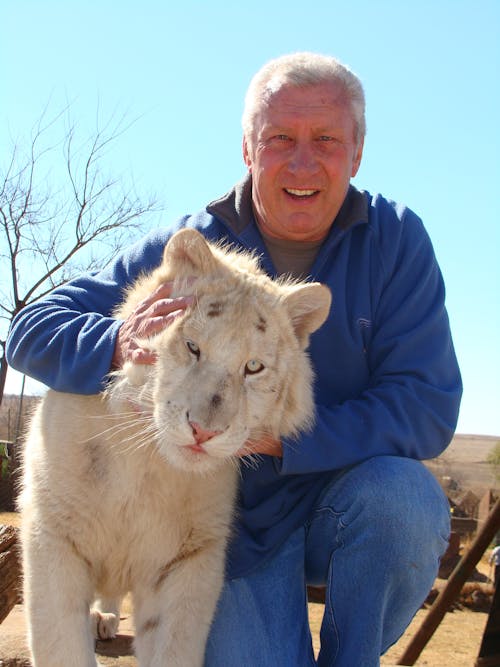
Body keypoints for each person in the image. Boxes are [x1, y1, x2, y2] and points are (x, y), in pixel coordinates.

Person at [6, 52, 462, 666]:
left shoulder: (397, 241)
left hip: (345, 498)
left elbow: (427, 405)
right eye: (280, 138)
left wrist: (281, 438)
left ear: (356, 152)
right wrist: (118, 340)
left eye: (325, 139)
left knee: (405, 502)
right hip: (243, 532)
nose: (303, 161)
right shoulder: (190, 252)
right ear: (247, 149)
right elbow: (32, 329)